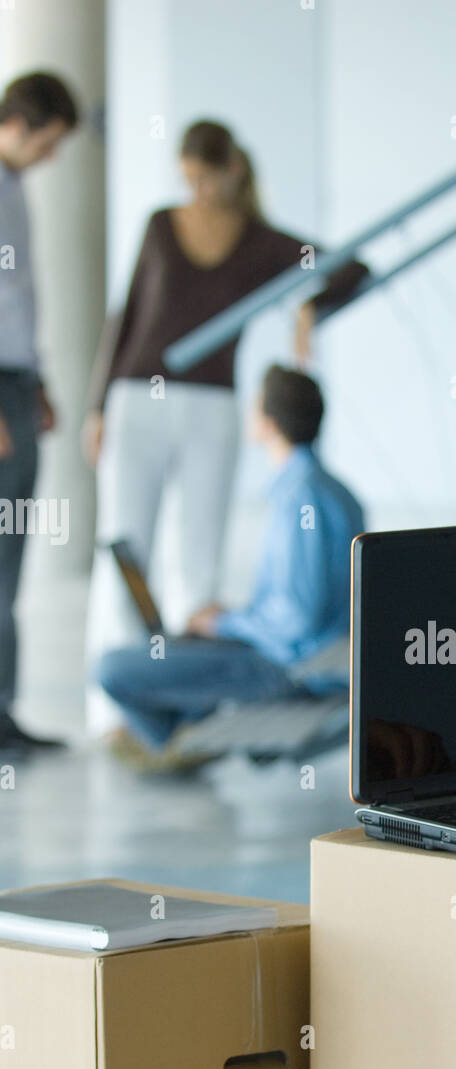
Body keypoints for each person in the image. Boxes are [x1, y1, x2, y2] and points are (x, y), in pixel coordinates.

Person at [82, 119, 366, 736]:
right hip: (136, 393)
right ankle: (118, 715)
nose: (196, 191)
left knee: (199, 558)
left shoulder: (261, 240)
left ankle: (192, 706)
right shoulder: (161, 224)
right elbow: (126, 313)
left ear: (231, 171)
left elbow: (351, 267)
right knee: (124, 546)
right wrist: (98, 404)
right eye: (187, 179)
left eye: (204, 178)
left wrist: (308, 308)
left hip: (212, 403)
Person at [96, 366, 364, 765]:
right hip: (305, 658)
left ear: (268, 423)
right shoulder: (338, 492)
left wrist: (224, 623)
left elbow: (297, 621)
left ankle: (173, 746)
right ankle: (190, 732)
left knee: (112, 668)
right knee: (181, 644)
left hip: (288, 669)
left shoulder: (299, 498)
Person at [0, 71, 79, 754]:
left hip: (18, 382)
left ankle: (3, 711)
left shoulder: (14, 188)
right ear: (23, 125)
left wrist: (41, 382)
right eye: (50, 142)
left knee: (11, 551)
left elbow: (18, 298)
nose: (51, 158)